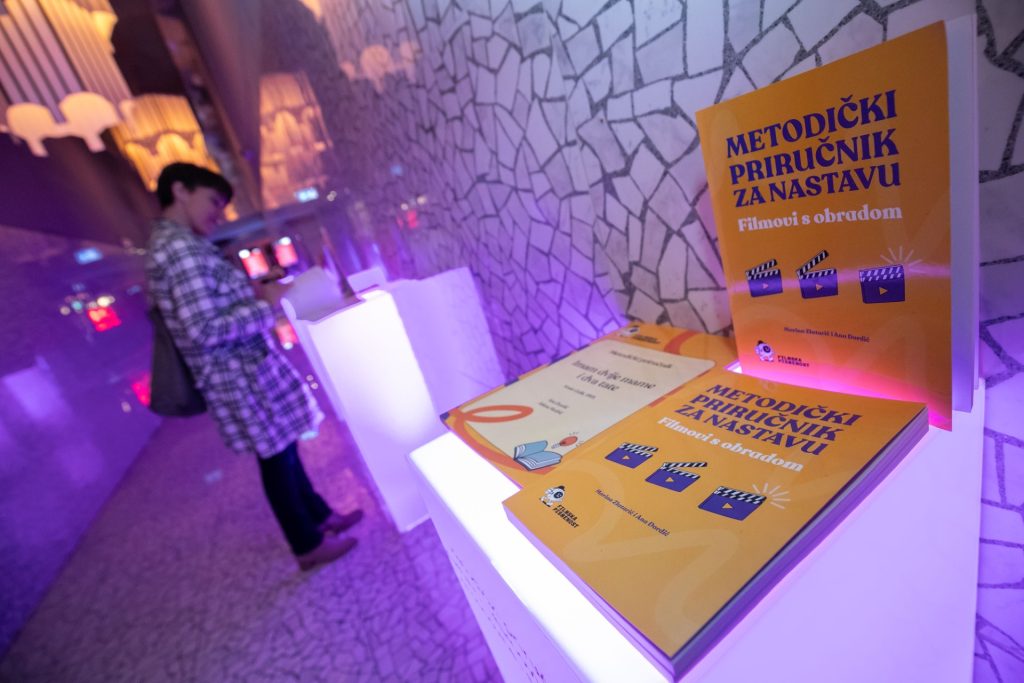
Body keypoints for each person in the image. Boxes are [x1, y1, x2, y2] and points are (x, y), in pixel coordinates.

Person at [145, 163, 362, 570]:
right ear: (180, 190)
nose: (218, 213)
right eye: (213, 201)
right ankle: (307, 545)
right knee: (277, 458)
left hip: (242, 374)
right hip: (238, 377)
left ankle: (319, 518)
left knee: (284, 449)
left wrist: (255, 294)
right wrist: (267, 306)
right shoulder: (178, 250)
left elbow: (207, 310)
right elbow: (204, 328)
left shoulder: (179, 245)